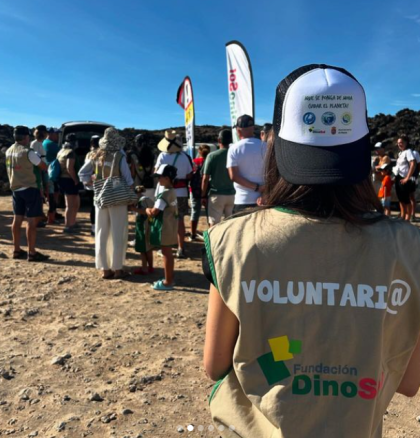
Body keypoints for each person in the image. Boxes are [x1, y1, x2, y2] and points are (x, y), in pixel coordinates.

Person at [202, 64, 420, 438]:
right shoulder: (407, 247)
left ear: (275, 144)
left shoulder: (233, 241)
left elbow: (215, 363)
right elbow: (409, 381)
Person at [78, 127, 133, 280]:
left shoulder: (95, 155)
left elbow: (82, 173)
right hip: (117, 198)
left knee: (101, 232)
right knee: (118, 232)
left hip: (100, 197)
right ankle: (118, 268)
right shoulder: (119, 156)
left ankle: (104, 269)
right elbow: (128, 180)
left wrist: (91, 184)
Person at [5, 126, 50, 262]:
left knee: (17, 218)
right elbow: (42, 166)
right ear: (26, 137)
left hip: (16, 188)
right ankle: (32, 252)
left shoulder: (8, 151)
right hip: (30, 187)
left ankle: (16, 250)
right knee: (31, 220)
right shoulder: (28, 152)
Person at [155, 130, 192, 258]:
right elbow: (189, 174)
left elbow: (157, 172)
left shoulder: (162, 156)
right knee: (179, 219)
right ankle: (181, 248)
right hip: (181, 192)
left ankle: (166, 247)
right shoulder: (184, 156)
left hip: (165, 192)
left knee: (164, 219)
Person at [146, 164, 178, 290]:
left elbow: (155, 211)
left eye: (160, 177)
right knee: (168, 253)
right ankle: (168, 279)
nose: (158, 179)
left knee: (166, 253)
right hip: (171, 225)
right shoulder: (172, 191)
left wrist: (147, 210)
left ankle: (168, 282)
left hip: (165, 227)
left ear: (167, 178)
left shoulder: (164, 193)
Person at [227, 114, 266, 213]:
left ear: (238, 130)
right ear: (253, 128)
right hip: (263, 200)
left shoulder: (234, 148)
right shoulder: (266, 146)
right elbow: (274, 172)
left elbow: (233, 176)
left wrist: (256, 187)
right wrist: (264, 191)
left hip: (242, 200)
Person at [201, 130, 236, 226]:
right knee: (230, 224)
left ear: (219, 140)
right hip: (232, 195)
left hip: (216, 194)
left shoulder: (212, 156)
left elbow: (205, 178)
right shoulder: (234, 155)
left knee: (214, 224)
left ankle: (214, 241)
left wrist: (203, 195)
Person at [57, 133, 81, 232]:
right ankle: (68, 226)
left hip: (62, 179)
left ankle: (72, 222)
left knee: (73, 203)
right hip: (69, 180)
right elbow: (69, 168)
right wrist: (75, 180)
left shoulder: (61, 151)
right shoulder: (71, 153)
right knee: (70, 205)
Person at [130, 188, 155, 275]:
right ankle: (150, 267)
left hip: (143, 227)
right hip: (145, 226)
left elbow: (146, 211)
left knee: (143, 249)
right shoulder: (145, 199)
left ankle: (144, 268)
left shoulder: (143, 200)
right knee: (148, 248)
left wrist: (134, 209)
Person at [189, 144, 211, 240]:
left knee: (195, 213)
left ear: (199, 151)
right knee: (209, 214)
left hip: (194, 191)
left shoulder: (194, 162)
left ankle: (193, 234)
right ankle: (211, 234)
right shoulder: (210, 161)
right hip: (208, 191)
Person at [393, 135, 417, 221]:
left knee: (406, 199)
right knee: (401, 199)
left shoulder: (408, 151)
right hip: (398, 177)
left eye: (401, 142)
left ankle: (407, 219)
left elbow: (413, 163)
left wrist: (407, 178)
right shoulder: (400, 153)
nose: (399, 144)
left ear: (406, 143)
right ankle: (402, 216)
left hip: (404, 178)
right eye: (398, 143)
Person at [43, 127, 63, 223]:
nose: (58, 136)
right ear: (50, 134)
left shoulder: (44, 143)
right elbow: (62, 154)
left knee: (53, 193)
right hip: (51, 173)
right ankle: (51, 216)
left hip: (48, 172)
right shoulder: (51, 144)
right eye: (56, 134)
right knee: (53, 194)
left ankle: (53, 213)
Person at [30, 125, 49, 226]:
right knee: (39, 193)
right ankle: (38, 218)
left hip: (41, 169)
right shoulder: (35, 144)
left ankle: (40, 216)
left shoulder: (39, 143)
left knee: (41, 193)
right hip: (38, 170)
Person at [129, 134, 156, 199]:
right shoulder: (154, 156)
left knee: (140, 207)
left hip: (138, 188)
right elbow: (154, 171)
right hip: (152, 186)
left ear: (137, 144)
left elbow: (132, 174)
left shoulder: (134, 157)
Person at [85, 135, 100, 235]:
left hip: (90, 184)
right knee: (98, 206)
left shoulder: (89, 154)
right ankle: (98, 227)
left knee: (92, 206)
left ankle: (93, 228)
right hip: (99, 183)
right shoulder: (102, 154)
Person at [409, 147, 420, 221]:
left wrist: (415, 176)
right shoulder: (401, 153)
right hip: (405, 177)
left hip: (412, 177)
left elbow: (419, 165)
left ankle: (412, 215)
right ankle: (408, 214)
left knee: (411, 196)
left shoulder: (415, 153)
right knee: (406, 197)